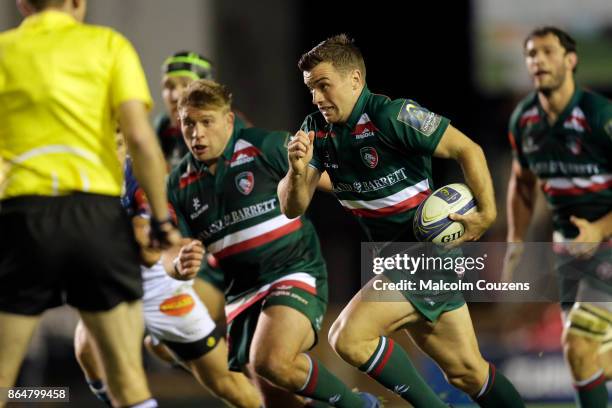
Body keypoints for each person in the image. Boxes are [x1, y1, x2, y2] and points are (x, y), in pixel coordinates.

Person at [278, 34, 525, 407]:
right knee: (467, 372)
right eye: (311, 88)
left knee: (348, 336)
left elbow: (467, 149)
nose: (316, 97)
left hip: (427, 255)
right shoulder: (316, 132)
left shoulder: (392, 115)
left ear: (355, 79)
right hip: (395, 260)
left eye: (324, 85)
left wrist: (486, 215)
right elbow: (292, 207)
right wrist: (297, 172)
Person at [0, 1, 179, 407]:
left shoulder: (4, 50)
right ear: (79, 3)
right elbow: (140, 138)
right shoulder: (109, 45)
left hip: (23, 217)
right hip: (95, 218)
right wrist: (162, 219)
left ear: (22, 4)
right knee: (129, 384)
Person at [168, 79, 379, 407]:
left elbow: (336, 182)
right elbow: (170, 247)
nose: (196, 133)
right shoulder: (178, 184)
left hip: (293, 271)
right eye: (188, 124)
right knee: (276, 400)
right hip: (241, 294)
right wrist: (179, 265)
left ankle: (358, 406)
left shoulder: (264, 146)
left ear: (228, 120)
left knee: (271, 360)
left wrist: (393, 203)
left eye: (206, 122)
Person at [73, 132, 262, 408]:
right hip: (109, 287)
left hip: (157, 288)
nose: (109, 154)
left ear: (126, 145)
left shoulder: (142, 176)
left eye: (116, 145)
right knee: (87, 352)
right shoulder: (73, 179)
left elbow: (149, 254)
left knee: (228, 384)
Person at [503, 26, 612, 407]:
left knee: (578, 346)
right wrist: (516, 239)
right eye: (531, 53)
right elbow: (522, 181)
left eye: (548, 52)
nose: (538, 60)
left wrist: (599, 227)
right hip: (570, 251)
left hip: (607, 243)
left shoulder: (599, 116)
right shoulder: (525, 121)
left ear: (571, 60)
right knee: (585, 357)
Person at [157, 51, 252, 169]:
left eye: (186, 85)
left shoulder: (232, 126)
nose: (175, 96)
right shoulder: (163, 127)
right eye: (169, 86)